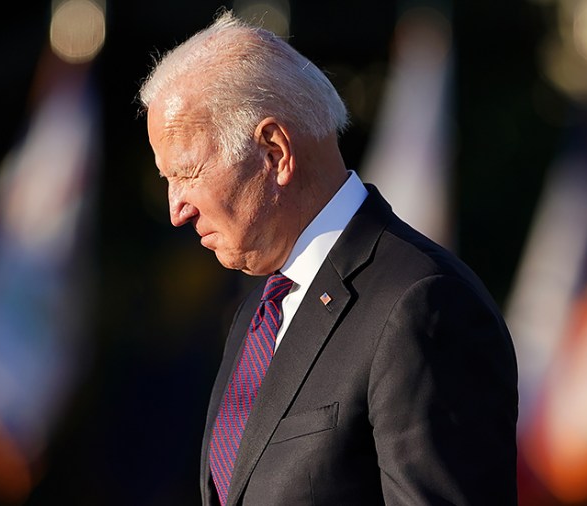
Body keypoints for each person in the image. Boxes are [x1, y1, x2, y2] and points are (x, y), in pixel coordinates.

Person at [139, 10, 518, 506]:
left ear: (274, 152)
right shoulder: (255, 318)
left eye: (187, 173)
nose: (176, 210)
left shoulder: (422, 305)